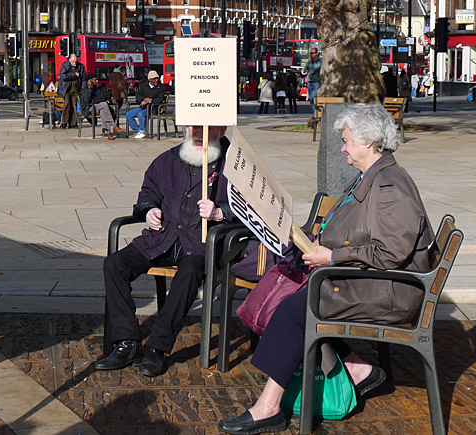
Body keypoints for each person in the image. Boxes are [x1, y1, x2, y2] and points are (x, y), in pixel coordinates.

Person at [218, 103, 434, 434]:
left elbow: (391, 252)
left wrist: (331, 259)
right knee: (298, 292)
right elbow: (355, 231)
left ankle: (268, 407)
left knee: (295, 309)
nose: (344, 148)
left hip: (391, 289)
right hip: (374, 280)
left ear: (369, 141)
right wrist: (306, 239)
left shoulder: (390, 186)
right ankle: (356, 368)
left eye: (347, 141)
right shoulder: (374, 175)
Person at [94, 125, 234, 377]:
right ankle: (127, 343)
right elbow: (147, 194)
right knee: (115, 264)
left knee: (189, 271)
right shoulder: (166, 160)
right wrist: (149, 210)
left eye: (209, 126)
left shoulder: (236, 164)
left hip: (203, 244)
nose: (199, 132)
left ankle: (157, 348)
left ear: (222, 129)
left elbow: (252, 208)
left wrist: (221, 211)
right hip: (163, 238)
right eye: (194, 126)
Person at [80, 74, 124, 140]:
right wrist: (90, 89)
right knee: (104, 105)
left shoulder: (102, 88)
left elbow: (109, 98)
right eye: (95, 80)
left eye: (97, 79)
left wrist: (108, 101)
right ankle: (114, 126)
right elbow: (86, 101)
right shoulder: (85, 89)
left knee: (103, 111)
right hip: (91, 108)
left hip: (103, 108)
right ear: (90, 81)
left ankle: (109, 133)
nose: (97, 81)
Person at [125, 70, 164, 138]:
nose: (156, 80)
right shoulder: (144, 86)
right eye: (154, 79)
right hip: (143, 106)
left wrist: (150, 101)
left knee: (141, 114)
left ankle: (142, 130)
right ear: (150, 79)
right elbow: (138, 96)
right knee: (129, 114)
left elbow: (160, 99)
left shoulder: (160, 87)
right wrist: (144, 100)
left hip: (153, 108)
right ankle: (138, 131)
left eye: (157, 78)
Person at [57, 54, 86, 129]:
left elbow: (83, 79)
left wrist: (83, 89)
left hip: (76, 89)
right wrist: (74, 75)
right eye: (73, 61)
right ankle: (64, 123)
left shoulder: (81, 67)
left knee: (74, 106)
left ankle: (73, 123)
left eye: (76, 61)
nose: (74, 63)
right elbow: (63, 76)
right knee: (67, 105)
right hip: (66, 89)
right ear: (70, 60)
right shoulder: (65, 65)